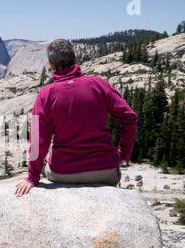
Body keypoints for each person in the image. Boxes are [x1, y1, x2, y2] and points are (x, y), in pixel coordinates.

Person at [15, 39, 138, 198]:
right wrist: (123, 155)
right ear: (75, 58)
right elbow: (130, 118)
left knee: (49, 169)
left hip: (62, 172)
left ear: (50, 64)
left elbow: (38, 139)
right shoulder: (97, 84)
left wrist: (32, 177)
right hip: (104, 172)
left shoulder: (46, 94)